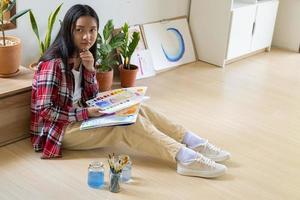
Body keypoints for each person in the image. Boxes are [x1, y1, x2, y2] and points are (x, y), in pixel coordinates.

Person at [30, 4, 231, 178]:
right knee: (126, 126)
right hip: (59, 130)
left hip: (80, 116)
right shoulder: (54, 64)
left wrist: (90, 71)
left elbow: (89, 98)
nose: (87, 37)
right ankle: (185, 158)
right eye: (79, 30)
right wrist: (85, 113)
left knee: (138, 109)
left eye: (92, 30)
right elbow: (45, 111)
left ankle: (193, 142)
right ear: (68, 31)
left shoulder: (84, 56)